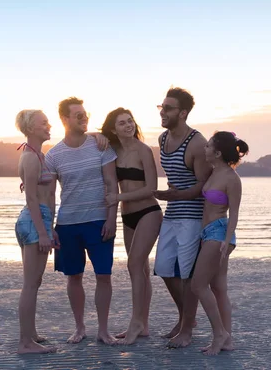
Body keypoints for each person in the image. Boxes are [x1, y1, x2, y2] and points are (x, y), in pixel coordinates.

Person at [45, 97, 119, 345]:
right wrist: (49, 227)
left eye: (85, 114)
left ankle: (104, 330)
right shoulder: (53, 155)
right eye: (78, 115)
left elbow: (111, 184)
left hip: (98, 221)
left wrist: (111, 218)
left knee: (103, 276)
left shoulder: (101, 146)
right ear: (64, 119)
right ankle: (79, 328)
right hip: (67, 225)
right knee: (73, 276)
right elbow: (50, 195)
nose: (84, 118)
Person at [153, 87, 212, 348]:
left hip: (192, 216)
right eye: (161, 107)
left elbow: (204, 186)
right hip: (172, 213)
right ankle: (185, 317)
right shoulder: (162, 139)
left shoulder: (197, 143)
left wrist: (172, 196)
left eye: (168, 108)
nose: (162, 112)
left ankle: (186, 329)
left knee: (187, 274)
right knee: (165, 268)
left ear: (183, 112)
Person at [100, 107, 163, 345]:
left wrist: (118, 198)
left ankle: (136, 322)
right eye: (122, 123)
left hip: (148, 212)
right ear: (113, 128)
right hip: (128, 218)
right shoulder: (112, 151)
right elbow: (92, 139)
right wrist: (100, 137)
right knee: (141, 270)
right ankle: (143, 325)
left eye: (130, 121)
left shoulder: (143, 150)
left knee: (134, 264)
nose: (128, 125)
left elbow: (151, 188)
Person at [191, 131, 248, 355]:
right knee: (218, 288)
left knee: (198, 285)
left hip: (219, 234)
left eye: (208, 146)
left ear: (217, 152)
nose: (204, 149)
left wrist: (227, 240)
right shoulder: (213, 173)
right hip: (207, 233)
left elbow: (234, 213)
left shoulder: (232, 178)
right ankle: (228, 340)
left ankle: (219, 334)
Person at [14, 110, 59, 354]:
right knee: (30, 284)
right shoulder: (30, 158)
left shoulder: (37, 155)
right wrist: (43, 233)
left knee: (35, 282)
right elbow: (32, 198)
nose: (48, 125)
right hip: (33, 220)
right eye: (44, 123)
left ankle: (30, 334)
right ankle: (24, 343)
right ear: (31, 128)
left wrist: (50, 229)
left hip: (38, 220)